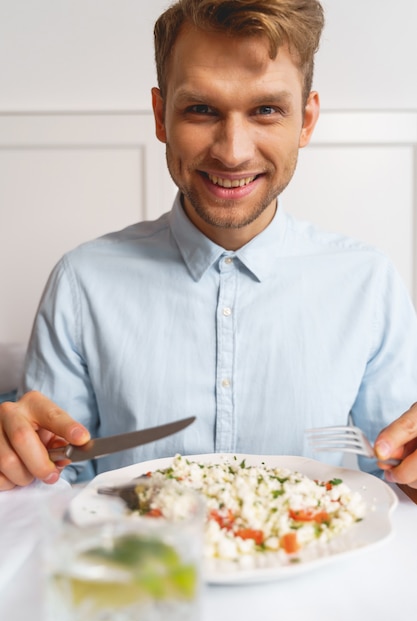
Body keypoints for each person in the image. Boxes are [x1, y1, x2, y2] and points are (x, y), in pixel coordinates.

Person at [1, 0, 417, 491]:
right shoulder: (80, 282)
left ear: (305, 120)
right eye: (201, 109)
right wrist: (18, 466)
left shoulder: (368, 282)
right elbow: (53, 489)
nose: (232, 151)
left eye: (266, 110)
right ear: (161, 116)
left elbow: (389, 488)